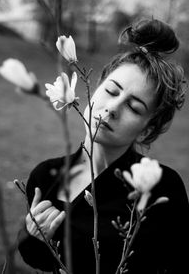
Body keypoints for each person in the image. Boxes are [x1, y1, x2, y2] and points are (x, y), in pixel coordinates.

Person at [17, 18, 189, 274]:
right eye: (111, 90)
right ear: (95, 89)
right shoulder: (46, 177)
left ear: (148, 128)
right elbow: (38, 260)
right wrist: (33, 235)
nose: (112, 108)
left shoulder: (160, 186)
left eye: (134, 107)